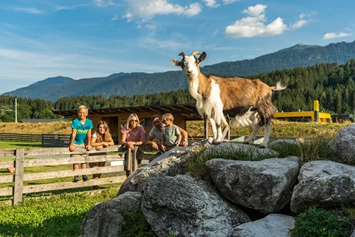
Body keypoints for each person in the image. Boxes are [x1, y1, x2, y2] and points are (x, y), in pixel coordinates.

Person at [69, 105, 93, 182]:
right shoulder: (75, 122)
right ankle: (76, 175)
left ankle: (84, 174)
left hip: (84, 142)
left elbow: (89, 134)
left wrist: (89, 144)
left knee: (84, 158)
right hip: (76, 142)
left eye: (84, 113)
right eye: (80, 113)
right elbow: (73, 134)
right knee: (75, 158)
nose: (82, 114)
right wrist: (71, 144)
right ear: (77, 113)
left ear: (86, 113)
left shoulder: (89, 122)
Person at [90, 121, 114, 190]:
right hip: (93, 156)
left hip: (102, 156)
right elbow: (92, 143)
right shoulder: (95, 134)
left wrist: (106, 144)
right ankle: (95, 189)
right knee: (95, 172)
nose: (102, 129)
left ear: (106, 128)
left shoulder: (107, 135)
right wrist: (102, 143)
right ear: (98, 128)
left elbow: (112, 142)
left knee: (100, 172)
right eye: (100, 127)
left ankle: (96, 187)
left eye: (103, 127)